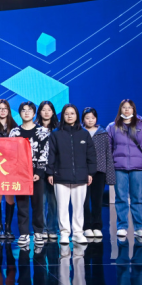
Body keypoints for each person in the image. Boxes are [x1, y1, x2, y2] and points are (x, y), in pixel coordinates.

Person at [46, 104, 97, 245]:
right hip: (60, 177)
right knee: (62, 207)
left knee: (78, 207)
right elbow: (51, 154)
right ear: (62, 115)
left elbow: (91, 155)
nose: (69, 116)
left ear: (77, 115)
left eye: (72, 113)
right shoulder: (56, 134)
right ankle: (64, 233)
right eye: (66, 113)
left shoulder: (84, 133)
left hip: (81, 176)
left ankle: (78, 233)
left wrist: (90, 173)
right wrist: (50, 172)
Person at [106, 99, 142, 239]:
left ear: (134, 109)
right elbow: (108, 148)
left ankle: (140, 227)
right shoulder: (112, 127)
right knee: (121, 198)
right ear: (120, 109)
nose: (127, 110)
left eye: (129, 107)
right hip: (118, 167)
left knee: (137, 198)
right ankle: (122, 226)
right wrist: (109, 166)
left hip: (137, 167)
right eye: (124, 107)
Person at [9, 102, 50, 246]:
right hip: (20, 173)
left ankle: (38, 232)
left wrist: (39, 172)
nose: (26, 113)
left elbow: (45, 152)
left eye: (29, 110)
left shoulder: (43, 131)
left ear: (34, 113)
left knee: (38, 204)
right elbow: (10, 153)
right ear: (19, 113)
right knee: (22, 205)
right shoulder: (14, 132)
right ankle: (24, 233)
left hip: (37, 172)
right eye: (23, 110)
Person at [82, 107, 115, 238]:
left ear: (96, 119)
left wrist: (110, 175)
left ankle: (97, 226)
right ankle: (86, 226)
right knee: (84, 201)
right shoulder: (79, 132)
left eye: (93, 118)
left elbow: (108, 154)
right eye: (87, 118)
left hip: (99, 171)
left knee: (97, 200)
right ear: (83, 119)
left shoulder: (103, 134)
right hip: (83, 171)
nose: (90, 120)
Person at [0, 99, 18, 240]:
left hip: (10, 167)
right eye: (0, 108)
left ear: (9, 110)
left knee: (9, 196)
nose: (2, 111)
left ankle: (8, 227)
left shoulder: (14, 126)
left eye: (5, 108)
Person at [36, 101, 60, 240]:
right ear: (39, 112)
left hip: (55, 169)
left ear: (53, 112)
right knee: (41, 201)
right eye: (43, 110)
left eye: (49, 110)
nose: (46, 112)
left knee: (53, 202)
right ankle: (42, 228)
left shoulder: (58, 128)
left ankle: (52, 228)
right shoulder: (34, 128)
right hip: (38, 170)